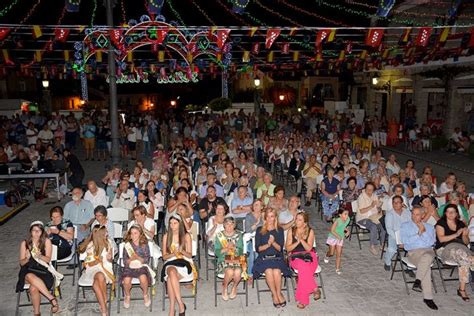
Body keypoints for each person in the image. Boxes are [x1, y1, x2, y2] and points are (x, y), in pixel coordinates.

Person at [16, 221, 62, 315]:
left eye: (39, 230)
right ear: (30, 231)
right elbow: (21, 263)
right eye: (34, 230)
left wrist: (40, 256)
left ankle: (36, 313)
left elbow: (48, 260)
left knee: (33, 288)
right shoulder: (24, 243)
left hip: (43, 271)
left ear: (42, 232)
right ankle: (52, 299)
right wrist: (27, 258)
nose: (36, 233)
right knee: (29, 275)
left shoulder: (46, 241)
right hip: (28, 271)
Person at [400, 206, 438, 310]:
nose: (414, 216)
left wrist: (423, 231)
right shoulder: (405, 226)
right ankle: (427, 298)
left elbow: (431, 243)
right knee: (426, 266)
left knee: (426, 257)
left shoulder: (429, 227)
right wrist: (419, 233)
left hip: (428, 251)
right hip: (414, 253)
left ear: (422, 216)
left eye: (417, 214)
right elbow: (406, 243)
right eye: (413, 214)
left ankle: (418, 280)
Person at [253, 208, 291, 308]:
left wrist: (273, 242)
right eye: (268, 216)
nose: (270, 219)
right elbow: (258, 249)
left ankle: (279, 293)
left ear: (275, 218)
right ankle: (274, 294)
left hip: (277, 257)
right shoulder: (259, 230)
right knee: (269, 271)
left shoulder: (280, 230)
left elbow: (280, 249)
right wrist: (268, 244)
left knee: (277, 272)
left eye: (272, 216)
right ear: (265, 218)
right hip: (263, 258)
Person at [435, 204, 473, 302]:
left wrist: (464, 235)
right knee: (465, 257)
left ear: (457, 213)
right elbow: (441, 239)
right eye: (448, 212)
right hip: (445, 248)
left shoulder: (461, 224)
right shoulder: (441, 223)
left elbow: (466, 242)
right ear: (445, 213)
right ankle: (462, 290)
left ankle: (462, 289)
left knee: (465, 258)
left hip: (461, 248)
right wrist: (456, 234)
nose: (451, 214)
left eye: (453, 212)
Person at [161, 215, 196, 316]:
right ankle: (180, 304)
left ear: (180, 224)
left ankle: (172, 308)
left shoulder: (186, 236)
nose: (172, 226)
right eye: (171, 223)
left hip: (184, 261)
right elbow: (164, 257)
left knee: (171, 279)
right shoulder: (166, 236)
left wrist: (182, 251)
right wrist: (173, 253)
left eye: (175, 223)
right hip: (170, 261)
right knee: (171, 271)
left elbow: (190, 255)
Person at [78, 225, 115, 316]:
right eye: (105, 232)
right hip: (93, 269)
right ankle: (104, 305)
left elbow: (110, 261)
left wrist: (110, 258)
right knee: (99, 275)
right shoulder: (90, 246)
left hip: (106, 268)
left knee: (96, 283)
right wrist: (98, 260)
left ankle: (103, 305)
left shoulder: (109, 242)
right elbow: (89, 264)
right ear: (100, 235)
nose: (107, 233)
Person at [286, 212, 320, 309]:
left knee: (304, 269)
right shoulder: (291, 231)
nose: (296, 221)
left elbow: (309, 248)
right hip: (295, 256)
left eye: (299, 220)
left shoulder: (310, 231)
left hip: (310, 256)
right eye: (296, 219)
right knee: (303, 267)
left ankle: (304, 299)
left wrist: (301, 240)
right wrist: (297, 242)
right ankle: (314, 288)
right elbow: (288, 248)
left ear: (305, 223)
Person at [120, 224, 153, 308]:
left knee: (143, 278)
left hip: (141, 266)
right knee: (126, 280)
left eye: (135, 233)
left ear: (140, 234)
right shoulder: (127, 245)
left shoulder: (144, 245)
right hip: (130, 266)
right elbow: (124, 260)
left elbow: (147, 259)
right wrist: (131, 259)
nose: (133, 235)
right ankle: (127, 295)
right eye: (132, 233)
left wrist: (137, 257)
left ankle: (145, 294)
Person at [214, 216, 245, 301]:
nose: (229, 227)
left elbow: (241, 250)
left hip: (236, 258)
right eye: (227, 224)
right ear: (224, 225)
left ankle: (234, 287)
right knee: (230, 271)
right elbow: (216, 252)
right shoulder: (219, 235)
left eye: (231, 224)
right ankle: (225, 286)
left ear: (234, 225)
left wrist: (234, 248)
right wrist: (226, 249)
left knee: (238, 271)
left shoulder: (239, 235)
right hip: (223, 259)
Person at [356, 182, 386, 255]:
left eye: (371, 189)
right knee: (373, 227)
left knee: (384, 226)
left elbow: (377, 209)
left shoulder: (374, 195)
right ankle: (372, 246)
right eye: (368, 189)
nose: (369, 191)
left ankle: (382, 244)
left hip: (374, 217)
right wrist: (371, 206)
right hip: (363, 218)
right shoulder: (361, 197)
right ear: (365, 189)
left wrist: (379, 208)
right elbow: (362, 211)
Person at [383, 196, 411, 271]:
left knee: (414, 248)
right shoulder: (389, 214)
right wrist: (398, 240)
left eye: (398, 202)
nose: (395, 204)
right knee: (392, 249)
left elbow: (411, 225)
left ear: (402, 204)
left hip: (406, 235)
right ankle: (387, 261)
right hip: (394, 235)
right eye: (394, 202)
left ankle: (410, 267)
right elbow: (389, 229)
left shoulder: (407, 213)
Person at [323, 209, 350, 275]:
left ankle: (337, 269)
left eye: (347, 214)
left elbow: (343, 227)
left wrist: (347, 231)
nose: (347, 216)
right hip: (333, 237)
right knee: (331, 253)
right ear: (340, 215)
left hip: (340, 238)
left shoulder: (348, 219)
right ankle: (327, 255)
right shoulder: (337, 221)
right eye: (345, 214)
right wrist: (338, 237)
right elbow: (332, 230)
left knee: (339, 254)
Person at [244, 199, 264, 279]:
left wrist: (264, 219)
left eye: (258, 205)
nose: (256, 206)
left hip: (262, 239)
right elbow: (248, 230)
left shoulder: (265, 215)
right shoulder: (249, 216)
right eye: (255, 204)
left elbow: (268, 228)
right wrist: (257, 222)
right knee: (253, 252)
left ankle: (258, 270)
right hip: (251, 239)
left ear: (262, 207)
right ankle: (250, 274)